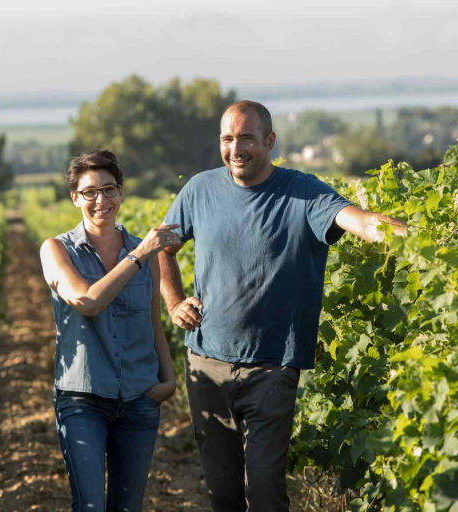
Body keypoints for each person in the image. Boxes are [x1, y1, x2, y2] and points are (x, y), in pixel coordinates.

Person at [158, 100, 407, 511]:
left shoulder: (303, 192)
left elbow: (355, 219)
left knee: (265, 491)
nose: (235, 149)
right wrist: (173, 301)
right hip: (205, 361)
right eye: (227, 139)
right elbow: (163, 247)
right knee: (223, 494)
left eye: (246, 139)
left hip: (273, 366)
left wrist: (409, 236)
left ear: (270, 141)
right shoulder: (199, 190)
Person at [39, 150, 180, 512]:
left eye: (109, 189)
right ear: (75, 197)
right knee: (89, 506)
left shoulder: (142, 252)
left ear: (121, 192)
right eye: (89, 192)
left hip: (139, 400)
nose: (101, 200)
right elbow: (87, 301)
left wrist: (169, 380)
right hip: (82, 400)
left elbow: (153, 324)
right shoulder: (57, 250)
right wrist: (139, 256)